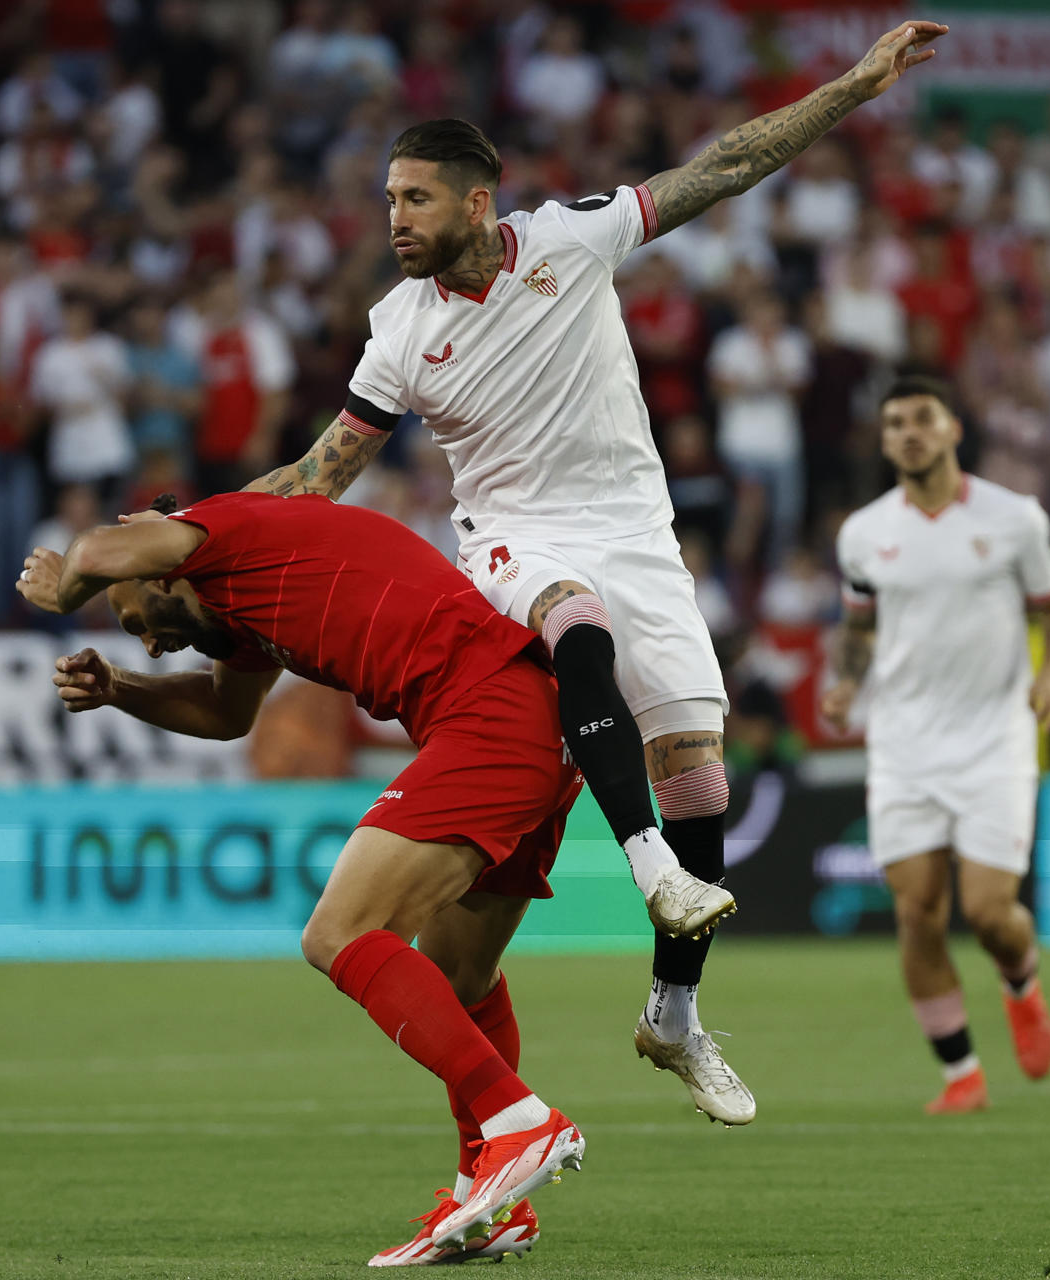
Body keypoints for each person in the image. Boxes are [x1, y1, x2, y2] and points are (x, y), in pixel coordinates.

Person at [245, 18, 950, 1124]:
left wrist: (855, 85)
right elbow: (321, 470)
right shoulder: (397, 331)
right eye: (389, 200)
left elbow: (725, 165)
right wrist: (204, 537)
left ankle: (673, 1014)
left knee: (702, 782)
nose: (396, 220)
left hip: (637, 525)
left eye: (416, 200)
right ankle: (646, 865)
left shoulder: (569, 241)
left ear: (479, 203)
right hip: (513, 538)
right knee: (576, 624)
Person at [17, 490, 672, 1266]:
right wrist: (120, 689)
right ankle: (483, 1200)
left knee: (340, 932)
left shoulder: (216, 531)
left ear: (152, 563)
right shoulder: (243, 602)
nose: (150, 646)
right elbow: (230, 716)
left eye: (134, 622)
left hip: (486, 707)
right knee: (458, 977)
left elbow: (93, 555)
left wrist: (64, 589)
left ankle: (518, 1121)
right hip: (529, 711)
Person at [820, 376, 1050, 1114]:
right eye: (895, 422)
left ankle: (1021, 983)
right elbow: (860, 625)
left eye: (923, 419)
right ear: (883, 439)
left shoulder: (1014, 519)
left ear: (953, 429)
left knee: (993, 913)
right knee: (917, 913)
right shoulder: (864, 533)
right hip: (902, 743)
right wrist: (846, 683)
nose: (909, 432)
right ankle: (961, 1073)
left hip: (994, 737)